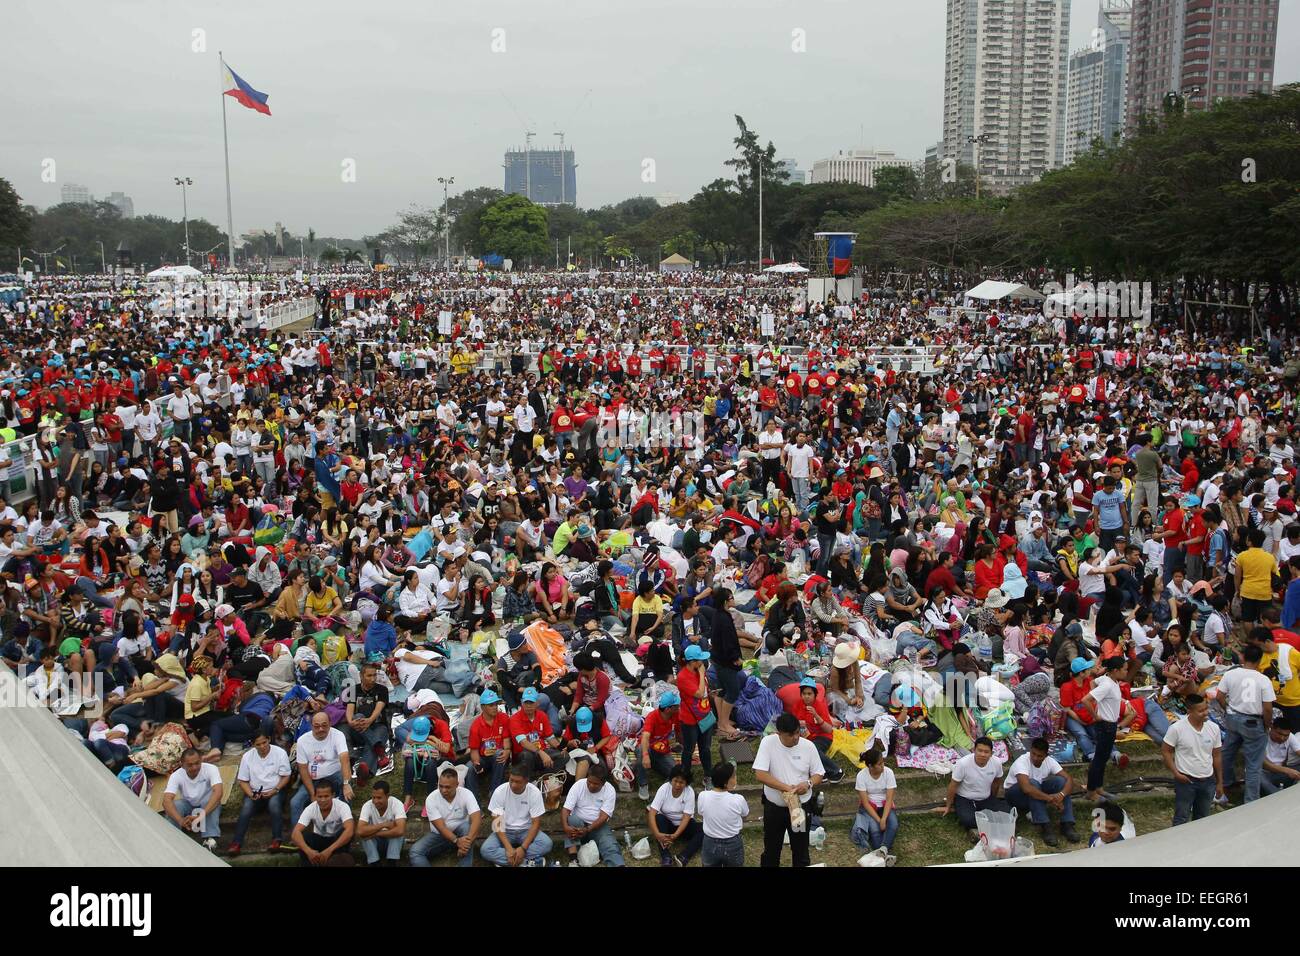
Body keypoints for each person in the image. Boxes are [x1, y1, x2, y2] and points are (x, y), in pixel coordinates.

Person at [753, 712, 824, 868]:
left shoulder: (808, 746)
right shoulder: (768, 743)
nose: (796, 738)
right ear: (779, 733)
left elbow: (819, 773)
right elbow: (760, 774)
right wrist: (786, 788)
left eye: (797, 733)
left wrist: (808, 783)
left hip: (798, 809)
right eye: (790, 735)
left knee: (800, 850)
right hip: (774, 808)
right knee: (771, 850)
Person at [1215, 643, 1276, 803]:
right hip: (1253, 721)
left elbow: (1220, 696)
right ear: (1260, 660)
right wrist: (1267, 725)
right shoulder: (1263, 679)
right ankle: (1251, 801)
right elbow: (1268, 708)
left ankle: (1226, 783)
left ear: (1242, 657)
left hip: (1233, 718)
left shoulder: (1231, 674)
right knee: (1254, 765)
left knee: (1227, 753)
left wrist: (1227, 710)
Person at [1161, 693, 1225, 825]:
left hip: (1208, 781)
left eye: (1206, 709)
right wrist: (1176, 774)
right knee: (1182, 818)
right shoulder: (1177, 729)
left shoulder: (1214, 728)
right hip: (1186, 780)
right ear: (1189, 711)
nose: (1205, 713)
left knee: (1203, 818)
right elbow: (1166, 751)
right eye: (1201, 711)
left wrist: (1219, 782)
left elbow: (1217, 755)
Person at [1003, 736, 1078, 846]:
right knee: (1032, 784)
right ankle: (1045, 826)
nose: (1035, 758)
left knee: (1060, 781)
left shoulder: (1050, 761)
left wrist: (1061, 795)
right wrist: (1051, 799)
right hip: (1014, 796)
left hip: (1035, 790)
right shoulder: (1022, 761)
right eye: (1033, 754)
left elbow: (1069, 779)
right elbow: (1026, 788)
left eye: (1039, 756)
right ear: (1030, 751)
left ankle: (1067, 824)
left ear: (1046, 756)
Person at [228, 731, 291, 856]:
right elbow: (243, 780)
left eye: (264, 742)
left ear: (269, 740)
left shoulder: (280, 753)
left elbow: (285, 776)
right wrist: (251, 794)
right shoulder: (247, 756)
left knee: (274, 805)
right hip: (255, 792)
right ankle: (236, 843)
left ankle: (277, 839)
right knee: (246, 808)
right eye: (258, 744)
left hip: (276, 790)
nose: (262, 746)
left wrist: (275, 790)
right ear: (253, 745)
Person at [481, 763, 554, 867]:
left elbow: (536, 823)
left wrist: (523, 848)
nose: (513, 785)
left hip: (526, 830)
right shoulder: (499, 791)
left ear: (526, 781)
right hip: (505, 830)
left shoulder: (534, 792)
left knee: (547, 843)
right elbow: (497, 823)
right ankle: (526, 863)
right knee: (486, 850)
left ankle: (507, 861)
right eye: (511, 780)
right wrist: (508, 848)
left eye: (518, 782)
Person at [410, 766, 482, 867]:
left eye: (447, 787)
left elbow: (477, 818)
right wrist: (457, 841)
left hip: (462, 833)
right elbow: (441, 827)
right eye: (441, 786)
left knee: (466, 827)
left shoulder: (466, 794)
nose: (443, 790)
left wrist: (466, 844)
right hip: (439, 835)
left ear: (457, 785)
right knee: (415, 852)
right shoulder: (431, 799)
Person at [290, 710, 353, 820]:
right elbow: (303, 769)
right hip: (313, 779)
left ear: (330, 723)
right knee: (295, 802)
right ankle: (297, 834)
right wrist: (312, 793)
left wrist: (346, 784)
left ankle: (346, 826)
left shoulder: (338, 735)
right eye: (317, 726)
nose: (321, 729)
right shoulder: (302, 741)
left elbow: (344, 759)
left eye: (324, 725)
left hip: (334, 775)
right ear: (311, 726)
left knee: (347, 791)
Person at [938, 736, 1006, 837]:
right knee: (968, 819)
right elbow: (953, 785)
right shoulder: (963, 763)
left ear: (991, 753)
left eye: (986, 752)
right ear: (974, 750)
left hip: (985, 798)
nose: (982, 754)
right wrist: (948, 806)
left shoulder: (996, 763)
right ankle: (985, 823)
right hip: (965, 798)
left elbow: (997, 782)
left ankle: (983, 823)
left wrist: (993, 798)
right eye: (980, 750)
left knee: (1007, 813)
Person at [1080, 657, 1127, 800]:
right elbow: (1085, 700)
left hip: (1111, 724)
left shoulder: (1108, 680)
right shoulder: (1107, 685)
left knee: (1104, 757)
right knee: (1099, 759)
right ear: (1115, 670)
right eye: (1124, 669)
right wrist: (1095, 714)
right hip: (1105, 725)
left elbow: (1093, 681)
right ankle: (1091, 791)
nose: (1126, 672)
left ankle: (1098, 787)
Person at [561, 763, 624, 866]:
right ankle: (573, 860)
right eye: (589, 781)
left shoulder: (610, 790)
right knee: (572, 820)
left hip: (597, 826)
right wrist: (565, 826)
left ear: (603, 784)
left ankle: (618, 864)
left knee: (610, 845)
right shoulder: (578, 785)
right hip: (578, 826)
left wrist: (588, 829)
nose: (591, 785)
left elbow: (604, 817)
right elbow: (566, 810)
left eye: (595, 784)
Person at [162, 747, 224, 851]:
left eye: (197, 763)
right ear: (182, 764)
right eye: (190, 765)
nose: (194, 767)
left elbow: (218, 793)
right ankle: (172, 839)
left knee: (210, 800)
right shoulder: (176, 775)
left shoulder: (211, 768)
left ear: (201, 760)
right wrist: (180, 820)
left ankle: (210, 839)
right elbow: (166, 801)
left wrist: (201, 816)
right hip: (189, 805)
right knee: (175, 805)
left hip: (208, 805)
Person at [647, 764, 704, 866]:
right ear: (671, 780)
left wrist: (675, 835)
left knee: (705, 829)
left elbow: (686, 817)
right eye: (675, 781)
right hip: (667, 825)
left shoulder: (689, 792)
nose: (677, 785)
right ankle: (666, 857)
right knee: (659, 818)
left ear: (686, 783)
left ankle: (683, 857)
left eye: (681, 782)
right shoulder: (664, 788)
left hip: (683, 825)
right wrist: (657, 834)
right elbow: (652, 813)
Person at [292, 779, 355, 867]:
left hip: (336, 843)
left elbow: (350, 831)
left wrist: (329, 850)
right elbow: (295, 833)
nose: (323, 800)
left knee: (346, 831)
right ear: (315, 796)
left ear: (333, 795)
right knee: (304, 836)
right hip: (319, 840)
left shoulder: (342, 806)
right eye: (320, 796)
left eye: (326, 796)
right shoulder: (311, 808)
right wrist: (308, 851)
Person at [697, 761, 749, 867]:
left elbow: (701, 813)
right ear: (726, 783)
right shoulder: (738, 799)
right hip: (733, 843)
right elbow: (745, 815)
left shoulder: (703, 796)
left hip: (709, 843)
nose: (736, 778)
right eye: (734, 777)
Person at [467, 688, 513, 801]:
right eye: (491, 705)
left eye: (496, 704)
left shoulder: (503, 718)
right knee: (469, 767)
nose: (495, 707)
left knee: (499, 753)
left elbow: (506, 739)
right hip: (483, 758)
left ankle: (495, 794)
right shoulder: (475, 726)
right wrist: (477, 763)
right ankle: (474, 803)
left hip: (499, 757)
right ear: (482, 707)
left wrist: (507, 751)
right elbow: (474, 751)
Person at [851, 747, 899, 854]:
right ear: (870, 766)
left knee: (893, 824)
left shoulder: (888, 773)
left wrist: (884, 819)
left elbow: (889, 799)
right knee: (875, 830)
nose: (883, 766)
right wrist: (879, 820)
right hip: (869, 807)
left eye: (883, 763)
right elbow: (865, 803)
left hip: (885, 805)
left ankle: (883, 849)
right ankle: (884, 851)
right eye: (879, 764)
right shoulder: (861, 776)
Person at [508, 686, 564, 777]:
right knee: (527, 755)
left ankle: (542, 777)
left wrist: (561, 748)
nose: (529, 705)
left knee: (564, 756)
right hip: (523, 754)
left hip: (541, 751)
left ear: (537, 703)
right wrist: (541, 752)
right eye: (526, 702)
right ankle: (529, 780)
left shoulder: (542, 715)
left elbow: (550, 737)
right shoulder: (514, 719)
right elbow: (523, 743)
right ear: (522, 702)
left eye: (532, 702)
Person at [637, 689, 682, 800]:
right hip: (649, 747)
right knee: (640, 751)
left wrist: (680, 744)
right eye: (676, 705)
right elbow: (645, 737)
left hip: (663, 750)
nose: (679, 707)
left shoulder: (676, 715)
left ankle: (662, 794)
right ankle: (643, 784)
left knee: (677, 773)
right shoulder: (652, 717)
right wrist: (646, 755)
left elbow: (678, 732)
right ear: (668, 709)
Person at [355, 779, 407, 866]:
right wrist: (384, 824)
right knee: (364, 835)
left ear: (387, 796)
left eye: (379, 798)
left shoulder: (397, 804)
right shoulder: (367, 805)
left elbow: (400, 830)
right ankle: (375, 863)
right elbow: (360, 831)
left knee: (397, 833)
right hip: (376, 843)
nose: (375, 801)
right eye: (373, 797)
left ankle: (392, 862)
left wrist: (376, 834)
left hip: (391, 843)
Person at [1261, 719, 1300, 795]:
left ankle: (1292, 790)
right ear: (1272, 728)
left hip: (1279, 773)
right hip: (1262, 772)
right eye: (1279, 734)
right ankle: (1280, 796)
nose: (1282, 738)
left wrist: (1286, 770)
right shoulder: (1262, 736)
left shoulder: (1290, 736)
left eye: (1286, 736)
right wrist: (1287, 770)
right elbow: (1263, 763)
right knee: (1258, 778)